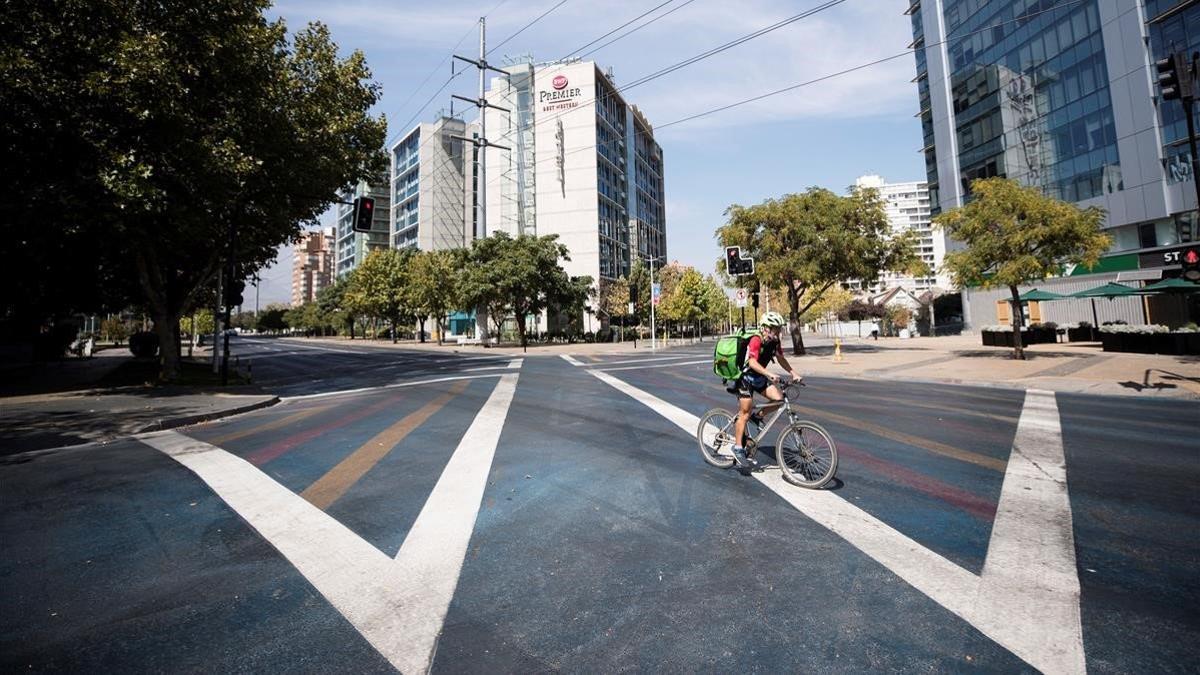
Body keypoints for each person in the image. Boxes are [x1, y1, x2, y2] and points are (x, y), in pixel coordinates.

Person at [731, 311, 803, 472]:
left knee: (779, 399)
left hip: (759, 377)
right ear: (766, 328)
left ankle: (758, 416)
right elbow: (752, 362)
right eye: (775, 328)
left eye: (778, 328)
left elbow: (780, 358)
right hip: (745, 378)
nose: (778, 332)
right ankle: (737, 448)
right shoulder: (756, 340)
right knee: (745, 412)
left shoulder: (774, 342)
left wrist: (793, 373)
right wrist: (769, 373)